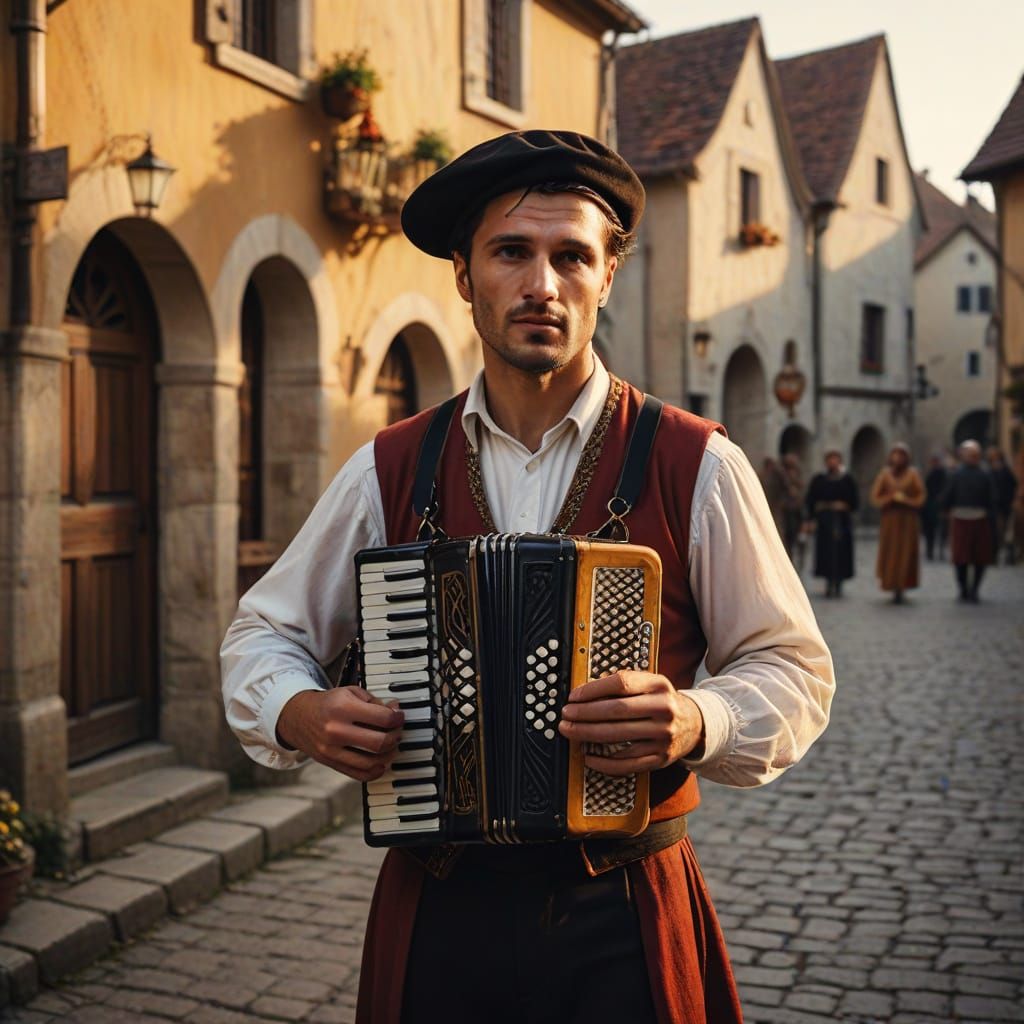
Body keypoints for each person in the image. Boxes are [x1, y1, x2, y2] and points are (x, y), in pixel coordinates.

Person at [220, 131, 835, 1024]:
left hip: (623, 905)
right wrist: (295, 709)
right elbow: (262, 634)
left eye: (571, 256)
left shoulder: (696, 463)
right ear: (466, 278)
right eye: (511, 252)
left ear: (607, 276)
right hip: (439, 902)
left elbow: (795, 667)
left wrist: (700, 716)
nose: (542, 285)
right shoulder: (386, 467)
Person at [942, 440, 998, 602]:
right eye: (969, 454)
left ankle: (974, 589)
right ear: (963, 455)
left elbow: (991, 498)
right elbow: (948, 495)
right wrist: (946, 509)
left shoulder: (985, 475)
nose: (972, 457)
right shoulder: (956, 475)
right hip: (961, 518)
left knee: (980, 557)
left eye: (974, 454)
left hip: (980, 519)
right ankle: (963, 588)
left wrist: (991, 517)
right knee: (961, 558)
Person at [869, 443, 925, 603]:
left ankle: (903, 585)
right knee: (891, 553)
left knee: (906, 553)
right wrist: (889, 499)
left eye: (901, 455)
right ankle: (891, 584)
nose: (898, 458)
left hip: (908, 521)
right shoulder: (885, 475)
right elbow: (875, 497)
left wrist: (907, 500)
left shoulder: (913, 474)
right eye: (895, 454)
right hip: (890, 521)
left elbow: (921, 497)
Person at [804, 450, 859, 597]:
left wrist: (843, 506)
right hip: (824, 522)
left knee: (841, 553)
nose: (832, 463)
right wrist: (810, 519)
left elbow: (854, 501)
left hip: (842, 521)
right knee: (826, 553)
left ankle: (839, 582)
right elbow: (811, 499)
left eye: (835, 460)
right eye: (830, 460)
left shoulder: (847, 479)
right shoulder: (819, 479)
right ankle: (828, 582)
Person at [986, 446, 1018, 565]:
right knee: (995, 532)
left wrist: (1011, 500)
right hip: (993, 506)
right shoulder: (989, 470)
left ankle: (1009, 557)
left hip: (1004, 506)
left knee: (1006, 533)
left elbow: (1013, 485)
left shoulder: (1005, 470)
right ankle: (993, 556)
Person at [780, 453, 806, 570]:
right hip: (785, 512)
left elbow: (802, 494)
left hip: (797, 513)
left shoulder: (798, 477)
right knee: (787, 540)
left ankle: (799, 564)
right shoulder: (781, 476)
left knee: (800, 540)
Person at [921, 452, 948, 561]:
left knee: (935, 531)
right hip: (931, 507)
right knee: (932, 532)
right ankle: (931, 551)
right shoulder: (935, 473)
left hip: (935, 506)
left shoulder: (940, 473)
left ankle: (933, 551)